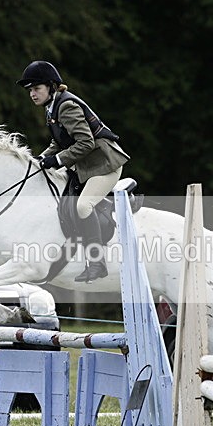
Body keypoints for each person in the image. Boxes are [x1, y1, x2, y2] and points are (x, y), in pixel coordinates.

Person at [16, 60, 130, 283]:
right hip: (86, 167)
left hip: (105, 165)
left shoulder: (66, 106)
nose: (32, 94)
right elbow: (58, 142)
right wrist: (41, 158)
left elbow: (86, 143)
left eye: (36, 88)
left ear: (50, 86)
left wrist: (56, 160)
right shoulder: (52, 108)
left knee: (83, 206)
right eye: (30, 90)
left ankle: (97, 263)